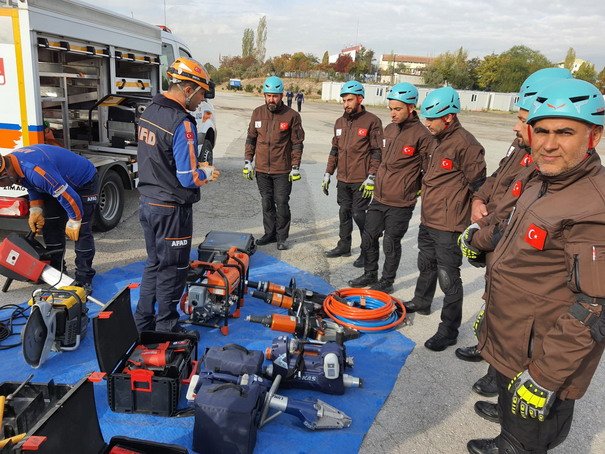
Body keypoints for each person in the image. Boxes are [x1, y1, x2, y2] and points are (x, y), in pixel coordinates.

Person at [468, 78, 605, 454]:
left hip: (542, 355)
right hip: (513, 336)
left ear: (593, 136)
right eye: (541, 131)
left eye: (565, 132)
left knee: (528, 441)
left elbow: (595, 308)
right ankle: (506, 440)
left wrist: (545, 377)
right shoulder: (541, 179)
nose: (548, 143)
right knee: (513, 424)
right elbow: (510, 237)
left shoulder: (594, 208)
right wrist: (490, 307)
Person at [455, 69, 573, 402]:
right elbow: (496, 179)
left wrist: (480, 232)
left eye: (523, 119)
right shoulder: (520, 145)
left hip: (506, 241)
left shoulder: (546, 161)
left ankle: (501, 379)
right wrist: (478, 200)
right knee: (493, 304)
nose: (516, 126)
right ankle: (489, 352)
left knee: (515, 321)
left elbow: (515, 211)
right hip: (493, 235)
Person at [134, 57, 219, 336]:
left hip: (148, 202)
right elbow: (187, 177)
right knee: (173, 268)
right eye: (202, 93)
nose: (202, 100)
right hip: (171, 208)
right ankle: (167, 328)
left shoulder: (150, 111)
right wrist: (206, 173)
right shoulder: (182, 123)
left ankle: (143, 322)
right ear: (188, 89)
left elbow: (159, 157)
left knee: (154, 263)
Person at [403, 86, 486, 352]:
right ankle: (422, 301)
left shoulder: (466, 144)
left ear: (448, 117)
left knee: (448, 276)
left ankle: (449, 330)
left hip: (450, 225)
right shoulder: (435, 139)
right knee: (425, 264)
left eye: (432, 119)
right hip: (429, 218)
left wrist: (476, 223)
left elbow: (480, 187)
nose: (426, 123)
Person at [348, 83, 434, 293]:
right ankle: (370, 273)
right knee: (368, 237)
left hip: (401, 201)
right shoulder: (390, 129)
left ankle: (387, 281)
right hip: (379, 196)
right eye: (391, 109)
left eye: (397, 109)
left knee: (390, 243)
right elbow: (381, 158)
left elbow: (428, 169)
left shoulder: (422, 135)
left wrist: (414, 187)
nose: (392, 113)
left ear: (411, 107)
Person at [0, 144, 99, 293]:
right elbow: (30, 184)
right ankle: (57, 271)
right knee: (50, 226)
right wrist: (36, 208)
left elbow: (69, 197)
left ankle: (84, 278)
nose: (1, 187)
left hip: (83, 181)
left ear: (5, 173)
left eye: (0, 183)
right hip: (56, 180)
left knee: (81, 231)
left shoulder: (36, 171)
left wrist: (74, 220)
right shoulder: (14, 165)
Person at [322, 80, 383, 268]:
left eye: (349, 100)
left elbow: (377, 152)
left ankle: (367, 251)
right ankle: (344, 246)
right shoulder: (340, 122)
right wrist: (328, 172)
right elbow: (335, 150)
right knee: (344, 213)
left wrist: (372, 176)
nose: (346, 104)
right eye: (344, 100)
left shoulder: (372, 121)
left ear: (360, 99)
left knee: (359, 214)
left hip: (361, 180)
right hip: (343, 178)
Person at [243, 76, 305, 251]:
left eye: (275, 96)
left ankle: (282, 237)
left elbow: (297, 143)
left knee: (282, 203)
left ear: (282, 96)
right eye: (269, 96)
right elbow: (251, 139)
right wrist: (248, 161)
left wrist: (295, 166)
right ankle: (269, 233)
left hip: (282, 170)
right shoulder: (257, 113)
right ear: (264, 95)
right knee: (266, 202)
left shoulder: (292, 116)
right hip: (262, 168)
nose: (271, 99)